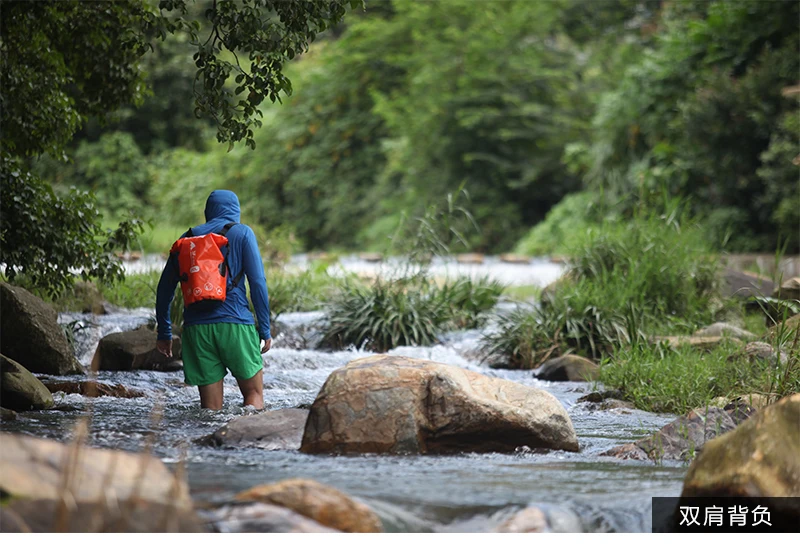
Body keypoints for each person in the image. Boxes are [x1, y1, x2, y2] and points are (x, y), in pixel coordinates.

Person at [155, 190, 272, 410]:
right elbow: (258, 283)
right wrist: (265, 329)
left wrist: (165, 332)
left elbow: (164, 290)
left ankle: (211, 443)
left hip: (197, 332)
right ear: (235, 210)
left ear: (208, 211)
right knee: (254, 396)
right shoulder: (242, 233)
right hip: (235, 325)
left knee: (210, 411)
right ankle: (247, 443)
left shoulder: (186, 238)